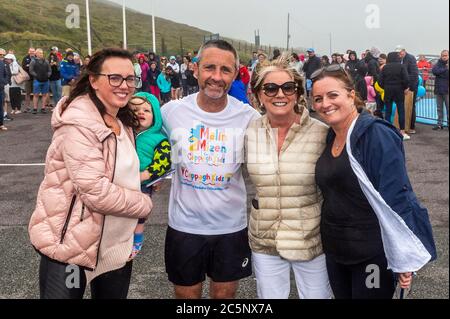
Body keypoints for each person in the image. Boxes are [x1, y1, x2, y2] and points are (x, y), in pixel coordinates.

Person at [28, 48, 153, 299]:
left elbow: (116, 170)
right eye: (114, 78)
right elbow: (95, 191)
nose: (125, 86)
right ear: (93, 80)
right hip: (72, 247)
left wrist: (142, 179)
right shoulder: (79, 124)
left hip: (115, 245)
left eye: (130, 79)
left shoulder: (122, 119)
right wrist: (144, 203)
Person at [311, 65, 436, 299]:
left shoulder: (376, 134)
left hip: (371, 255)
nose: (324, 103)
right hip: (336, 251)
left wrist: (404, 257)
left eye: (332, 95)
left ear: (351, 94)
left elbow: (397, 196)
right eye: (318, 99)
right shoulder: (331, 136)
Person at [161, 39, 260, 299]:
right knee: (186, 298)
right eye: (210, 68)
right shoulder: (171, 112)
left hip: (230, 229)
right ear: (196, 69)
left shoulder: (249, 118)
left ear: (235, 74)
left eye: (225, 70)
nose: (216, 77)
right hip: (184, 228)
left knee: (224, 298)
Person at [246, 54, 331, 299]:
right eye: (270, 88)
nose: (280, 95)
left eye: (288, 87)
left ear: (298, 93)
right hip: (265, 241)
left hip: (311, 241)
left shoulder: (321, 133)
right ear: (259, 95)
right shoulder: (249, 131)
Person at [128, 92, 172, 260]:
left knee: (140, 213)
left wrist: (147, 174)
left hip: (143, 182)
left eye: (147, 110)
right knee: (121, 211)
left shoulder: (158, 138)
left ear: (155, 115)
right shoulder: (125, 132)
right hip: (122, 180)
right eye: (135, 109)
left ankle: (137, 240)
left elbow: (163, 162)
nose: (141, 113)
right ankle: (121, 237)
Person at [379, 52, 410, 140]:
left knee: (388, 111)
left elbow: (380, 81)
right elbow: (406, 79)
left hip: (388, 90)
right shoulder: (401, 66)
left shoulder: (385, 67)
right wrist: (405, 87)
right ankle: (402, 132)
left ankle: (387, 131)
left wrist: (385, 87)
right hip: (399, 91)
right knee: (401, 111)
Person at [396, 45, 419, 134]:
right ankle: (404, 125)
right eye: (398, 53)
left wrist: (408, 86)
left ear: (404, 51)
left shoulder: (410, 58)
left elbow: (414, 74)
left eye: (400, 52)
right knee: (403, 106)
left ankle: (411, 126)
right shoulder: (399, 59)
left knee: (411, 106)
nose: (399, 54)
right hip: (403, 86)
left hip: (411, 87)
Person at [29, 48, 51, 114]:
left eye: (42, 53)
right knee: (36, 95)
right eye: (40, 53)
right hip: (37, 80)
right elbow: (31, 70)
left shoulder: (46, 61)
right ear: (36, 54)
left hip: (45, 80)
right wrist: (37, 75)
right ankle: (35, 108)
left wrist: (48, 75)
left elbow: (49, 70)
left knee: (44, 94)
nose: (41, 54)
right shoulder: (33, 61)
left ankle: (43, 108)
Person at [432, 50, 449, 130]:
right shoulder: (438, 63)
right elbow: (435, 71)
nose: (444, 57)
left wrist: (441, 72)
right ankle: (439, 124)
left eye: (445, 55)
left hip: (447, 90)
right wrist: (445, 69)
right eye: (443, 55)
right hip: (439, 89)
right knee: (439, 108)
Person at [22, 47, 36, 113]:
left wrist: (29, 66)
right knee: (27, 93)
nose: (32, 52)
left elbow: (38, 67)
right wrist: (31, 67)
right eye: (31, 51)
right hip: (28, 79)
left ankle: (34, 107)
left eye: (33, 51)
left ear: (35, 52)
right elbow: (24, 67)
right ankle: (27, 107)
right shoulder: (25, 58)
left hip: (36, 78)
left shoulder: (37, 58)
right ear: (28, 51)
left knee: (35, 93)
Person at [0, 51, 8, 131]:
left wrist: (3, 82)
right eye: (0, 55)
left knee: (1, 107)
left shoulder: (2, 63)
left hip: (1, 88)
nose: (1, 56)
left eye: (2, 55)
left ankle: (1, 124)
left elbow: (6, 74)